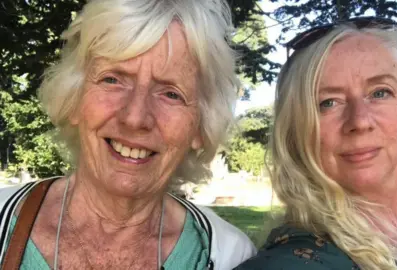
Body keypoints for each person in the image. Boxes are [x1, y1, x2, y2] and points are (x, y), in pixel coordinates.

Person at [0, 0, 256, 269]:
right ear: (74, 98)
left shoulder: (231, 257)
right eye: (113, 79)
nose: (135, 118)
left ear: (200, 126)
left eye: (171, 94)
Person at [235, 18, 397, 270]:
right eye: (328, 102)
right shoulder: (289, 264)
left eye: (380, 92)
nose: (360, 121)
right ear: (295, 135)